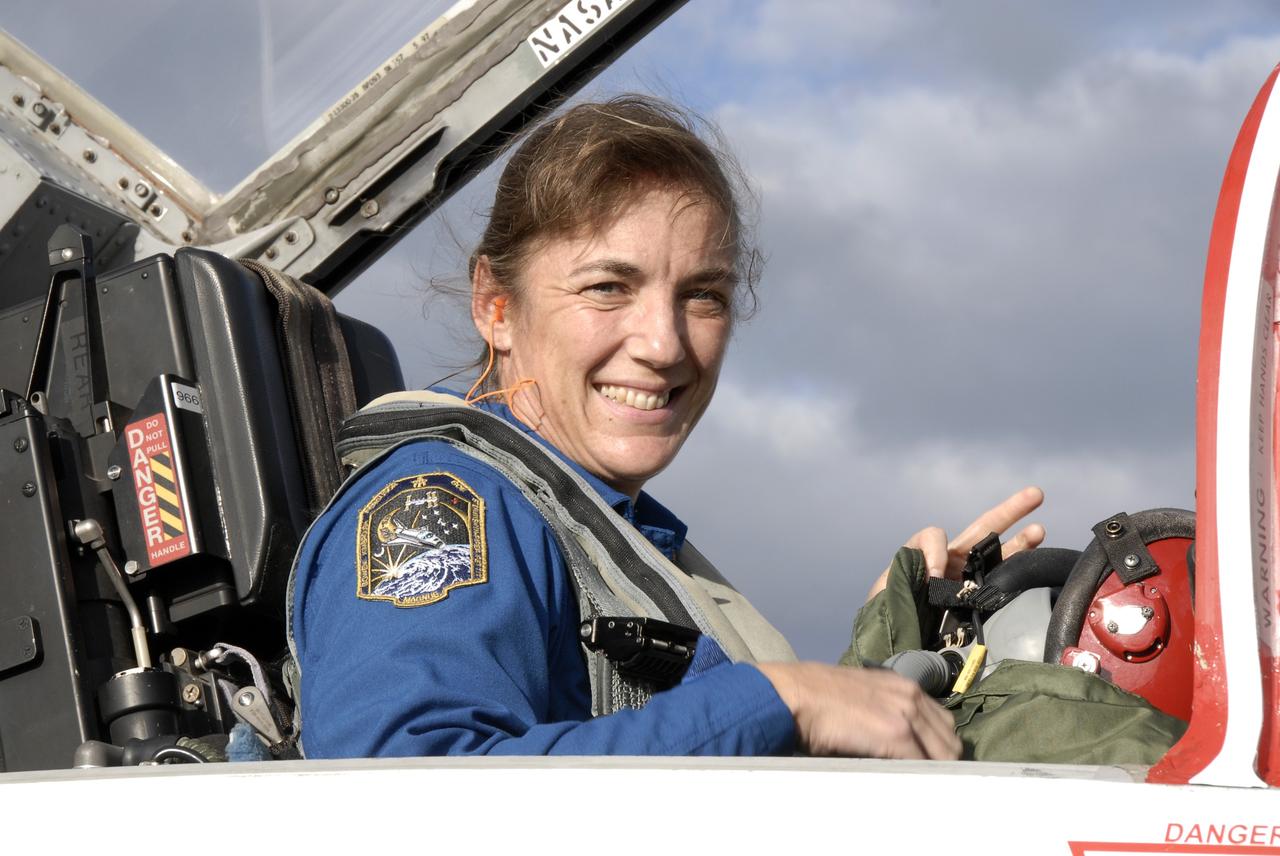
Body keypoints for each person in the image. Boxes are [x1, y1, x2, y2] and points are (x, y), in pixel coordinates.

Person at [289, 95, 1044, 760]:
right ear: (495, 305)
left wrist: (886, 656)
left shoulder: (617, 531)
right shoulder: (443, 504)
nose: (664, 344)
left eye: (703, 295)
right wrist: (780, 701)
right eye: (608, 287)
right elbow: (401, 795)